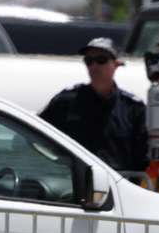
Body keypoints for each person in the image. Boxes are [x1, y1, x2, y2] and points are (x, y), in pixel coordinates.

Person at [40, 37, 149, 174]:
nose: (94, 66)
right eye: (89, 61)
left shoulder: (132, 108)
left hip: (119, 186)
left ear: (116, 64)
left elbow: (144, 157)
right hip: (75, 185)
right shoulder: (66, 101)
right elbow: (39, 137)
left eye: (101, 60)